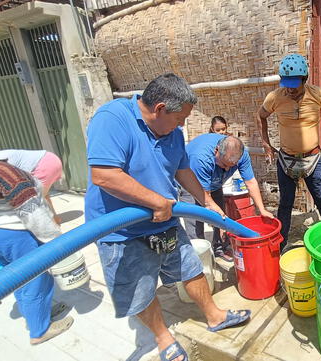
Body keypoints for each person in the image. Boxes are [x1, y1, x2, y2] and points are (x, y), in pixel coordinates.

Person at [85, 73, 250, 361]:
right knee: (140, 290)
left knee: (190, 268)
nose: (183, 124)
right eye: (180, 118)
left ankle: (214, 316)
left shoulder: (171, 132)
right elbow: (104, 175)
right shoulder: (112, 118)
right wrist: (155, 201)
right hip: (122, 230)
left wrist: (207, 201)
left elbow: (182, 170)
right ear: (160, 108)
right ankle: (163, 339)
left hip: (166, 219)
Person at [0, 124, 74, 345]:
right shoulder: (5, 172)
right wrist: (57, 241)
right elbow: (35, 214)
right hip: (17, 235)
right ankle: (39, 329)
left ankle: (34, 314)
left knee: (16, 277)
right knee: (37, 279)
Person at [257, 53, 321, 249]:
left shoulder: (318, 95)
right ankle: (281, 246)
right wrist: (266, 144)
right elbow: (260, 116)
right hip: (286, 160)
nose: (290, 89)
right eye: (286, 83)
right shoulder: (274, 97)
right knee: (285, 205)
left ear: (304, 80)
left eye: (294, 84)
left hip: (313, 159)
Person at [180, 133, 274, 261]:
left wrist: (262, 209)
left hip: (215, 183)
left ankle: (219, 249)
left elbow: (251, 182)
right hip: (192, 185)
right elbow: (206, 200)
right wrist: (216, 222)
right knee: (196, 225)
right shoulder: (201, 158)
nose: (227, 169)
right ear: (216, 150)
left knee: (221, 216)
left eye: (232, 166)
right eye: (224, 165)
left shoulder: (242, 154)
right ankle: (200, 260)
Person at [0, 149, 63, 224]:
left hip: (43, 165)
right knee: (41, 195)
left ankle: (52, 229)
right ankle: (55, 219)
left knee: (32, 203)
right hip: (50, 158)